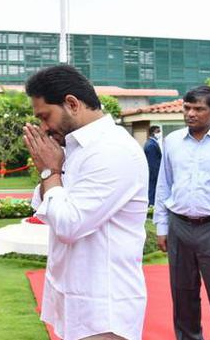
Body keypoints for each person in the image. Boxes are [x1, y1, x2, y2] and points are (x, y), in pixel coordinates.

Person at [24, 65, 148, 340]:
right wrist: (51, 172)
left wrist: (49, 171)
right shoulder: (75, 147)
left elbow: (68, 225)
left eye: (45, 116)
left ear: (72, 103)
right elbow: (45, 205)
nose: (43, 127)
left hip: (104, 306)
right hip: (78, 297)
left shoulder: (111, 150)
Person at [153, 85, 210, 340]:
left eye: (198, 109)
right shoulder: (173, 141)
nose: (190, 114)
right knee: (182, 294)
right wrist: (162, 226)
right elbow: (164, 184)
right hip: (179, 227)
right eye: (187, 108)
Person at [144, 125, 162, 205]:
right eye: (158, 131)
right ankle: (151, 207)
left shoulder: (153, 143)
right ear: (152, 133)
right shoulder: (151, 145)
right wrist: (157, 175)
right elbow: (153, 163)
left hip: (153, 173)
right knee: (152, 191)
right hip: (153, 174)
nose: (160, 133)